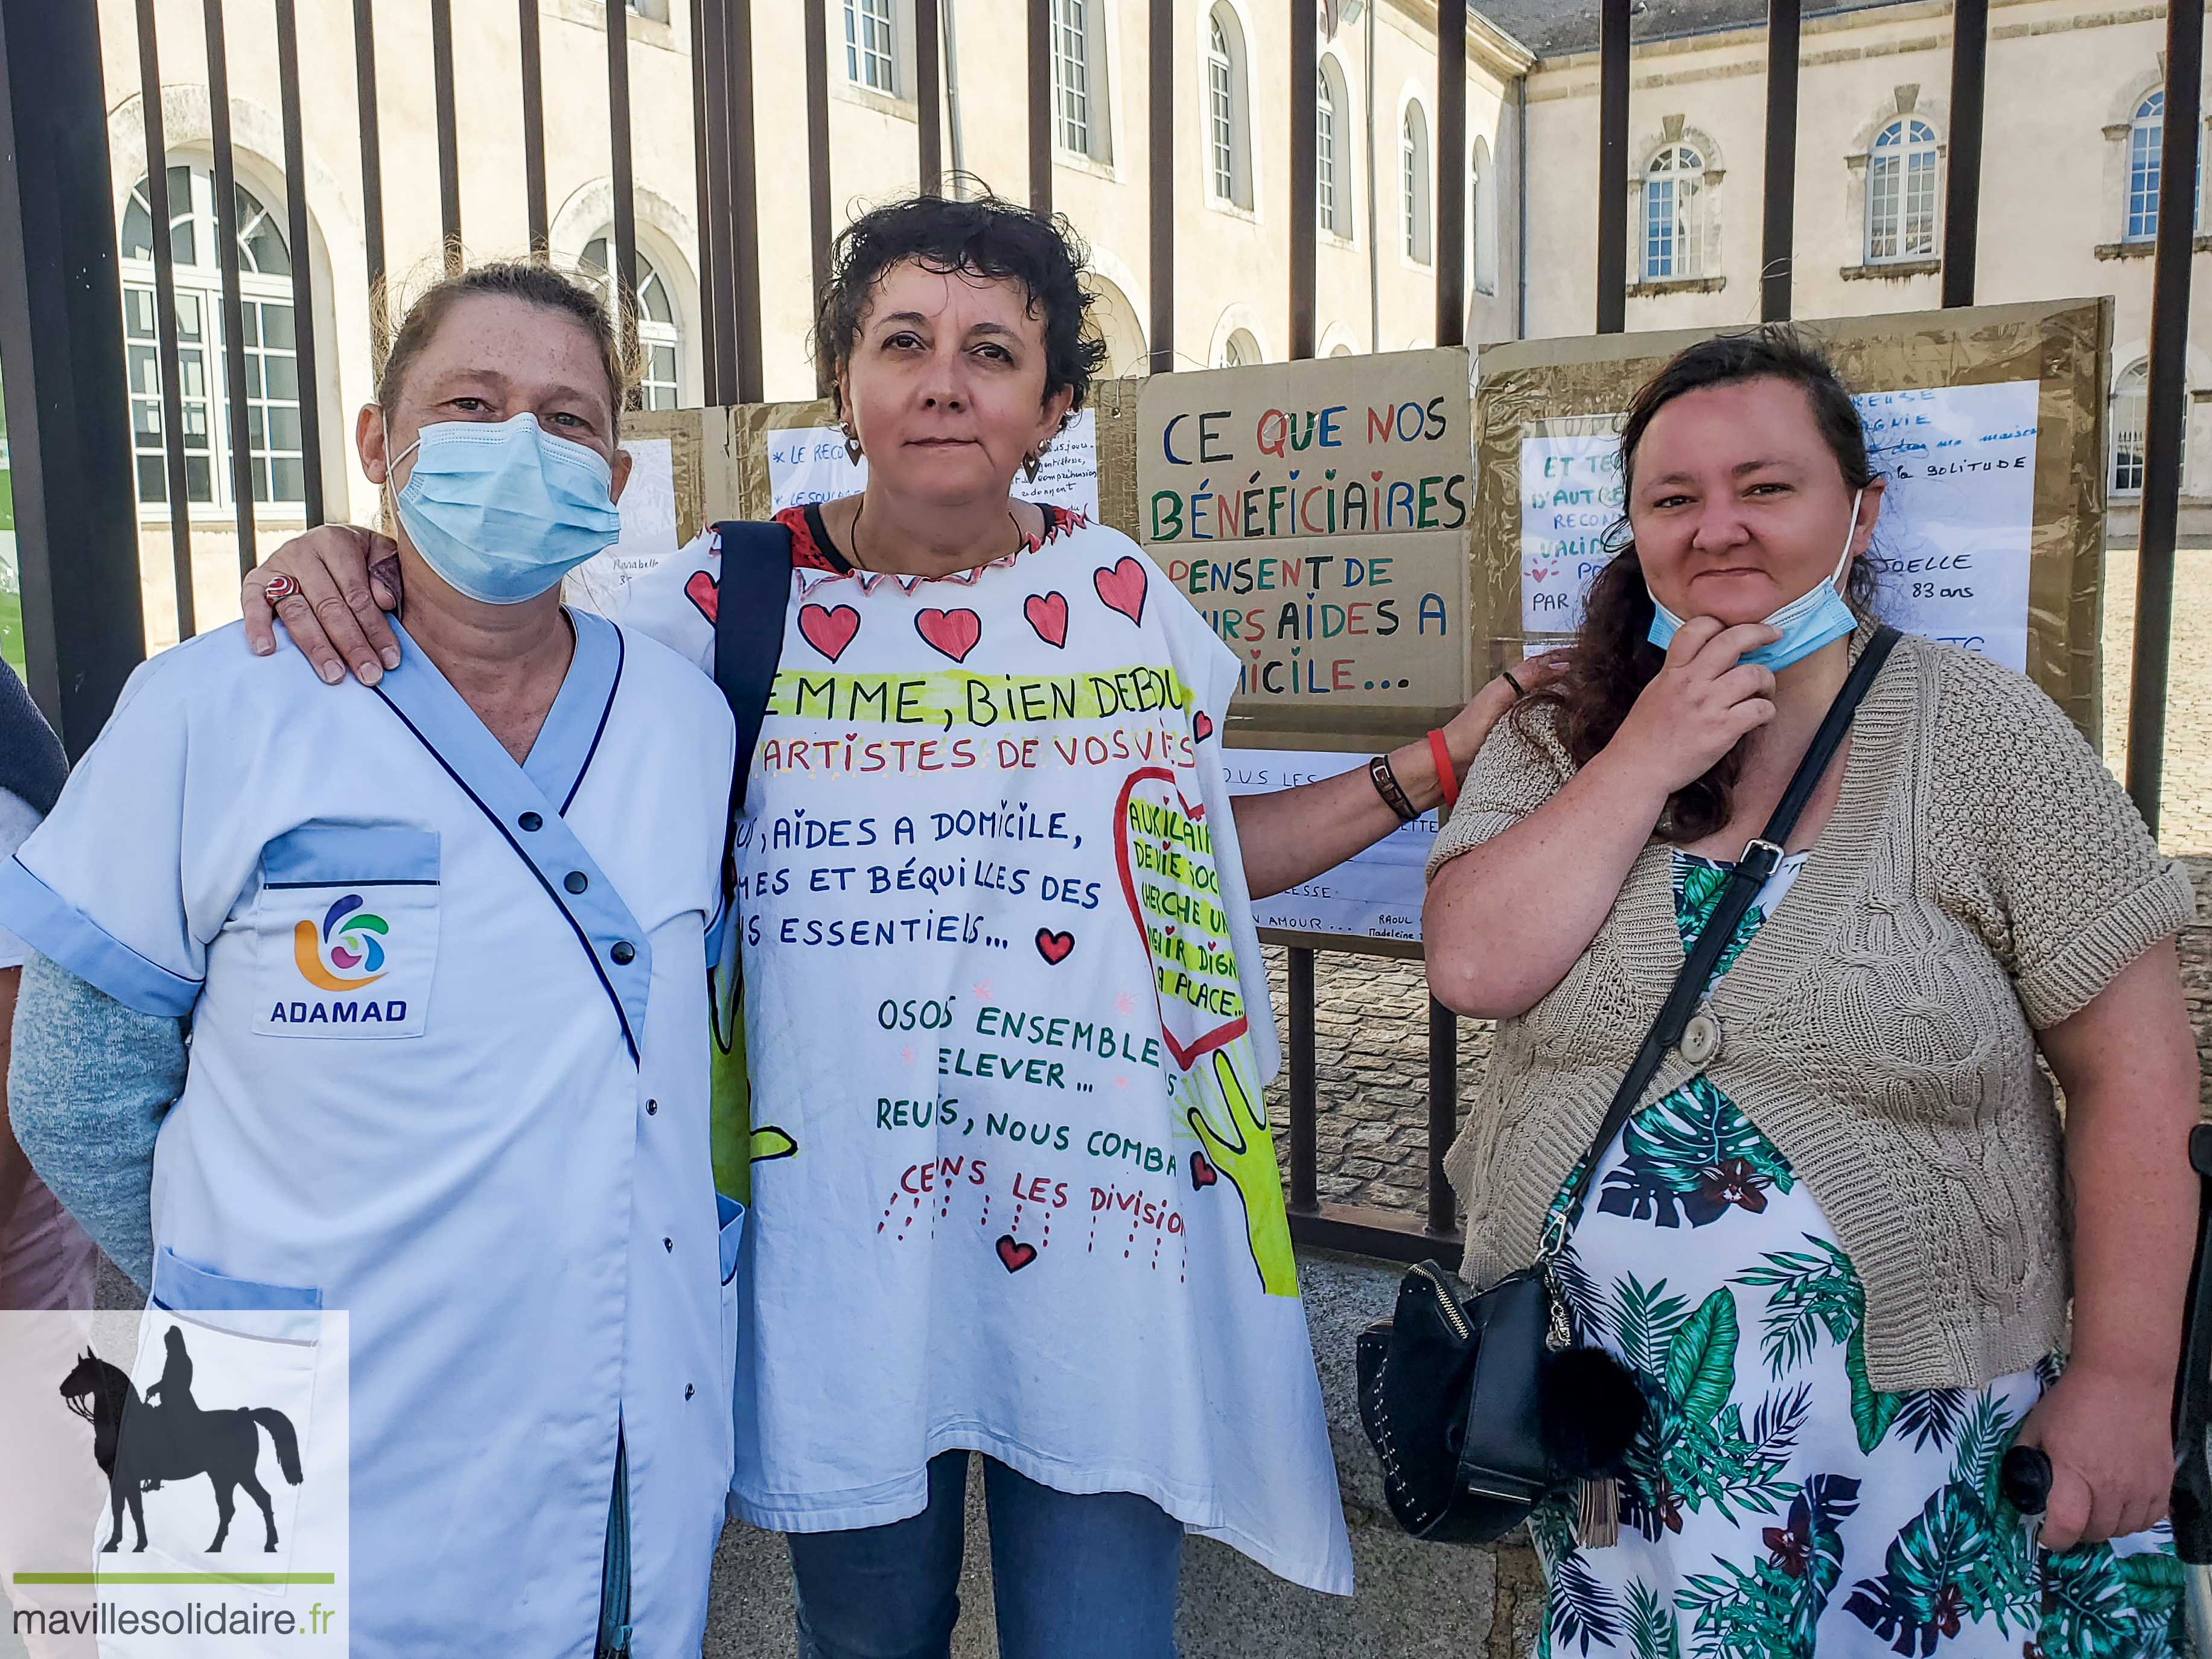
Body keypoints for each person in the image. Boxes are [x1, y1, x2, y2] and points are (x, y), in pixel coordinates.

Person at [240, 192, 1545, 1659]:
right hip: (841, 1257)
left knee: (1102, 1642)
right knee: (867, 1640)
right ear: (847, 386)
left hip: (1100, 1241)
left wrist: (1427, 770)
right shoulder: (711, 614)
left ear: (1051, 405)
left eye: (992, 350)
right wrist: (346, 557)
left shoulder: (1125, 607)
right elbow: (502, 669)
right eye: (903, 340)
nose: (943, 378)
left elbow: (1171, 871)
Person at [1423, 326, 2201, 1658]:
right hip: (1621, 1457)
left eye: (1766, 487)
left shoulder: (1981, 731)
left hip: (1922, 1451)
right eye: (1675, 499)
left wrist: (2128, 1378)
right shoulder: (1561, 738)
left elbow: (2137, 1069)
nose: (1718, 527)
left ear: (1860, 512)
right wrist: (1648, 750)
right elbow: (1476, 962)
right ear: (1636, 531)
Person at [4, 261, 741, 1658]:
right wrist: (258, 1280)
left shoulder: (678, 716)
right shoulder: (211, 706)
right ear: (377, 445)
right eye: (471, 402)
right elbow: (74, 1093)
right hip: (257, 1391)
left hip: (602, 1392)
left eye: (566, 418)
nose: (520, 442)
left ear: (618, 469)